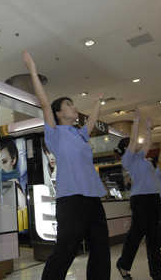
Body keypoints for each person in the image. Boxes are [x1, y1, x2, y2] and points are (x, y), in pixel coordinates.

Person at [22, 49, 110, 280]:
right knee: (66, 250)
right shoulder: (56, 134)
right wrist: (33, 71)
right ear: (59, 113)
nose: (74, 107)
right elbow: (44, 104)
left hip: (92, 199)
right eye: (69, 104)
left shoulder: (79, 135)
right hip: (71, 200)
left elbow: (91, 122)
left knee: (101, 248)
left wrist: (98, 102)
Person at [115, 109, 161, 280]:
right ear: (126, 148)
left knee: (153, 236)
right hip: (140, 199)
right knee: (136, 234)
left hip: (154, 197)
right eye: (132, 144)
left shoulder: (141, 158)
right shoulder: (128, 160)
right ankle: (123, 264)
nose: (139, 144)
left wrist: (148, 129)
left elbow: (147, 144)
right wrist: (136, 120)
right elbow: (134, 140)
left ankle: (157, 273)